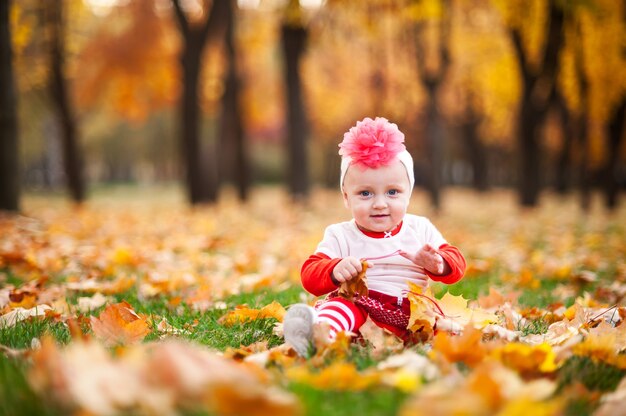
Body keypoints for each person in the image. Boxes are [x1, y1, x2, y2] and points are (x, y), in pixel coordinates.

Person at [283, 116, 466, 357]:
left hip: (411, 313)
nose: (380, 204)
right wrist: (334, 269)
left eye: (392, 192)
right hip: (361, 308)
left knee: (443, 326)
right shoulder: (340, 235)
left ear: (408, 195)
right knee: (339, 307)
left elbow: (457, 262)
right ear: (347, 197)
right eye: (365, 193)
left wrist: (439, 264)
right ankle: (317, 335)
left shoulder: (420, 228)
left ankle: (445, 344)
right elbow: (309, 274)